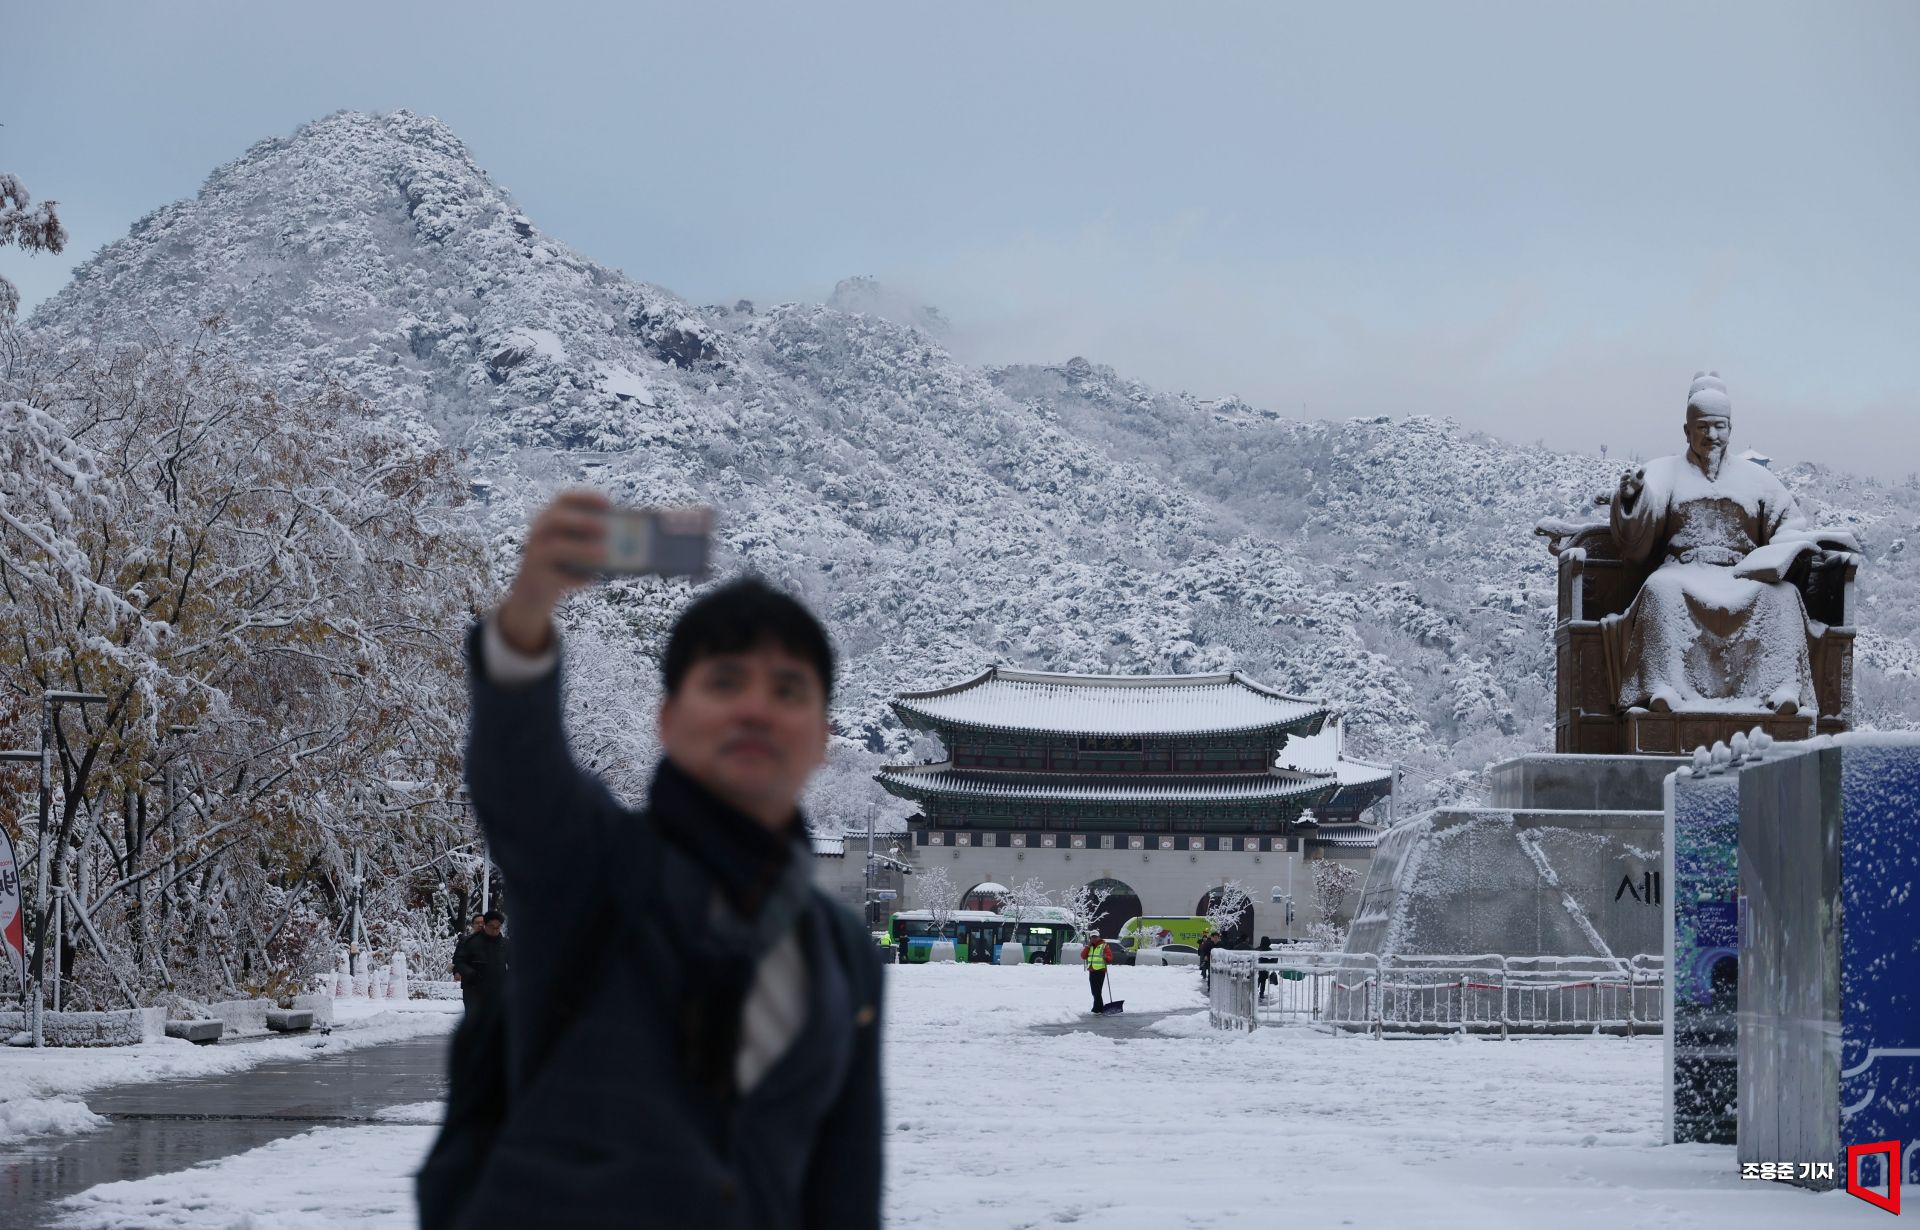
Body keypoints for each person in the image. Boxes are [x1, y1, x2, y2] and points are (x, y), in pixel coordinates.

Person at [418, 490, 883, 1230]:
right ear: (668, 718)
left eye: (787, 688)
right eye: (725, 681)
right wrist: (529, 613)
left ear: (823, 736)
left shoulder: (843, 951)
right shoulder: (592, 866)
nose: (756, 708)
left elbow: (844, 1187)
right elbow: (519, 776)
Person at [452, 911, 508, 1010]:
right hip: (474, 990)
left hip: (498, 991)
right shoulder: (470, 942)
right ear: (485, 925)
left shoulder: (505, 944)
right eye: (492, 927)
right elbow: (459, 961)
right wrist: (471, 974)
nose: (495, 930)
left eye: (498, 927)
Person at [450, 914, 484, 984]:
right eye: (477, 923)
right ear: (472, 925)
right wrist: (456, 972)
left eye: (483, 923)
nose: (480, 925)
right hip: (469, 980)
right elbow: (456, 959)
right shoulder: (464, 940)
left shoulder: (493, 942)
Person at [1085, 931, 1113, 1012]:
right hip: (1092, 970)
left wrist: (1106, 957)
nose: (1094, 939)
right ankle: (1098, 1008)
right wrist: (1087, 946)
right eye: (1092, 937)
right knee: (1094, 991)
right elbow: (1083, 956)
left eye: (1095, 937)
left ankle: (1097, 1009)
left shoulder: (1104, 946)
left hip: (1100, 971)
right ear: (1090, 938)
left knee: (1097, 991)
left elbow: (1110, 958)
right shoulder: (1089, 946)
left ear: (1099, 937)